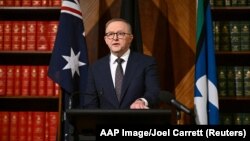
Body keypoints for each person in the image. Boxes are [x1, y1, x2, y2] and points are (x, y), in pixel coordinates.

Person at [83, 18, 160, 109]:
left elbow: (154, 91)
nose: (115, 38)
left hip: (136, 120)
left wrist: (142, 101)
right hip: (105, 122)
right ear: (106, 39)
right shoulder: (95, 68)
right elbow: (90, 103)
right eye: (110, 34)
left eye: (120, 34)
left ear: (130, 38)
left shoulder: (146, 63)